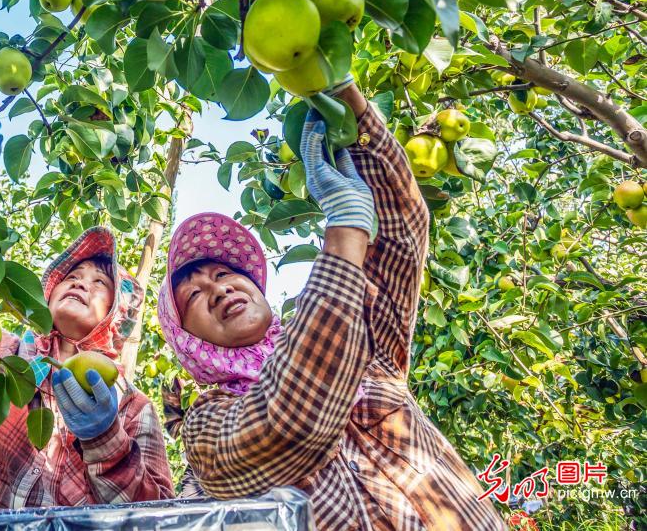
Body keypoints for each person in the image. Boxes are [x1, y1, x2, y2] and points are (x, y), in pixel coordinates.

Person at [156, 78, 505, 530]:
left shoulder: (359, 341)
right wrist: (342, 232)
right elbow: (289, 423)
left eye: (224, 274)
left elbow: (400, 234)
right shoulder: (207, 428)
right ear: (188, 340)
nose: (219, 289)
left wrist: (347, 103)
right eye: (195, 295)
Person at [0, 122, 174, 511]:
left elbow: (153, 516)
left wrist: (107, 440)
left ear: (117, 314)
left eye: (99, 282)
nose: (81, 284)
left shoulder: (131, 408)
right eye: (71, 276)